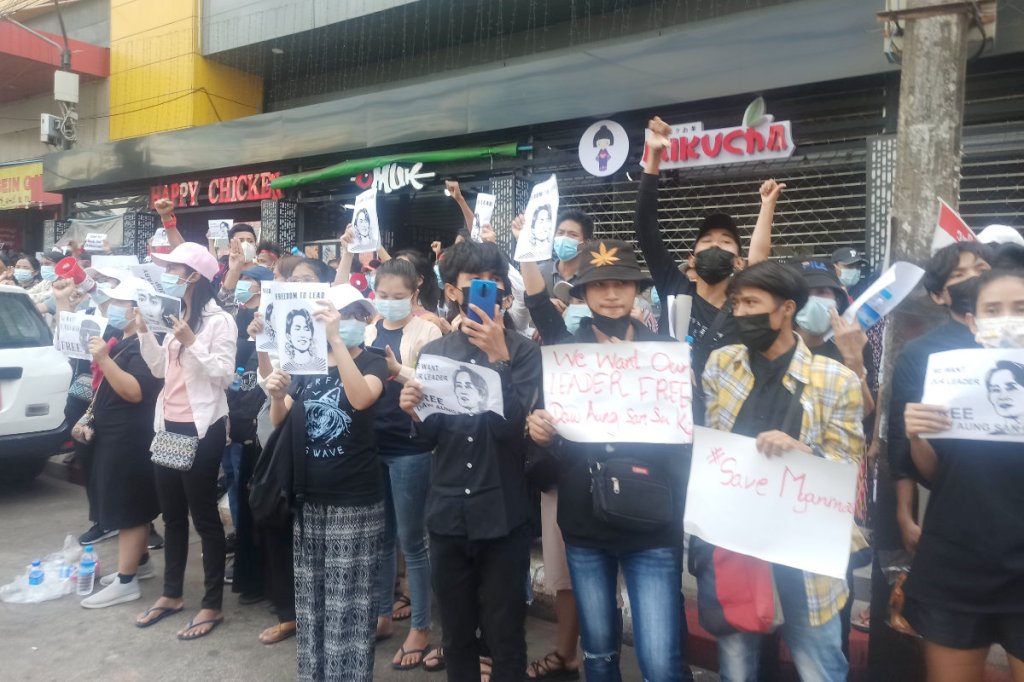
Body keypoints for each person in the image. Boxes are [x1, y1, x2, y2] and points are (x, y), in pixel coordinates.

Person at [525, 238, 691, 682]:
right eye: (599, 286)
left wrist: (690, 394)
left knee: (660, 658)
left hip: (654, 521)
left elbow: (687, 438)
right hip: (585, 520)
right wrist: (540, 429)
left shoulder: (668, 355)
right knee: (598, 652)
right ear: (583, 294)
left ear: (637, 291)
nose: (612, 294)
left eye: (622, 284)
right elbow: (552, 427)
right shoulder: (566, 352)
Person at [701, 261, 864, 681]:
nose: (741, 313)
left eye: (752, 303)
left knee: (818, 664)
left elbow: (847, 469)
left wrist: (802, 453)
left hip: (806, 550)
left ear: (787, 308)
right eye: (736, 303)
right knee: (736, 665)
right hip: (737, 543)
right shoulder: (722, 365)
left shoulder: (836, 381)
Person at [399, 240, 541, 682]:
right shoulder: (437, 353)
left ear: (504, 292)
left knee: (506, 636)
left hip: (503, 515)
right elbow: (430, 437)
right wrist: (413, 411)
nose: (487, 288)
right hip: (447, 516)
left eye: (495, 281)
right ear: (455, 292)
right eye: (474, 282)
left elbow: (513, 434)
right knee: (456, 635)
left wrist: (500, 360)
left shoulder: (523, 351)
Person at [902, 268, 1024, 682]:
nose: (1007, 317)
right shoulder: (950, 382)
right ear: (973, 321)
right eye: (993, 309)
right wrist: (917, 437)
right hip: (956, 566)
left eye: (1020, 308)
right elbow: (934, 474)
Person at [265, 284, 388, 682]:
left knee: (348, 606)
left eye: (356, 315)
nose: (351, 320)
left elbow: (360, 399)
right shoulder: (307, 363)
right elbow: (283, 426)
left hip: (353, 500)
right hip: (309, 499)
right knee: (313, 602)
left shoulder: (373, 362)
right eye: (342, 313)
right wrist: (277, 397)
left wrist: (336, 341)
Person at [636, 117, 780, 411]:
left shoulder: (742, 307)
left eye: (726, 242)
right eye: (707, 241)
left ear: (739, 262)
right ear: (691, 258)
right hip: (665, 410)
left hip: (719, 418)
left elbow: (759, 260)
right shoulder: (673, 285)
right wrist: (654, 157)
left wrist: (767, 208)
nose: (715, 245)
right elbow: (645, 226)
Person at [135, 242, 237, 640]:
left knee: (204, 517)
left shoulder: (219, 321)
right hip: (168, 425)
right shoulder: (174, 314)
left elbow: (225, 376)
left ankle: (211, 604)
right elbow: (161, 369)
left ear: (194, 275)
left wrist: (193, 342)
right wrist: (145, 333)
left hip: (203, 426)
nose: (169, 275)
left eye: (175, 269)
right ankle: (171, 594)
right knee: (172, 515)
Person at [887, 241, 992, 555]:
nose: (973, 278)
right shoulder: (920, 353)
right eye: (959, 274)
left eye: (982, 269)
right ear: (938, 295)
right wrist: (905, 514)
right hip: (955, 500)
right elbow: (902, 436)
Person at [365, 258, 443, 670]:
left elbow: (434, 386)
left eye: (399, 296)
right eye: (383, 295)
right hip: (371, 447)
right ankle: (380, 615)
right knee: (380, 538)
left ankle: (420, 625)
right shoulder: (366, 328)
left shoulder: (427, 330)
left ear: (415, 293)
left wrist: (398, 371)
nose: (390, 303)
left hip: (410, 448)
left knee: (412, 542)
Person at [78, 278, 163, 608]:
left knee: (130, 507)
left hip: (131, 437)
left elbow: (134, 391)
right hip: (112, 433)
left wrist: (104, 359)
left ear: (138, 311)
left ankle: (126, 582)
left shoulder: (146, 344)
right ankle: (139, 566)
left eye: (120, 303)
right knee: (124, 501)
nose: (112, 307)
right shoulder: (121, 339)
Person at [281, 307, 327, 373]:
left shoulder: (322, 364)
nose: (302, 334)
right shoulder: (285, 368)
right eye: (297, 329)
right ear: (288, 335)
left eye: (306, 329)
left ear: (311, 334)